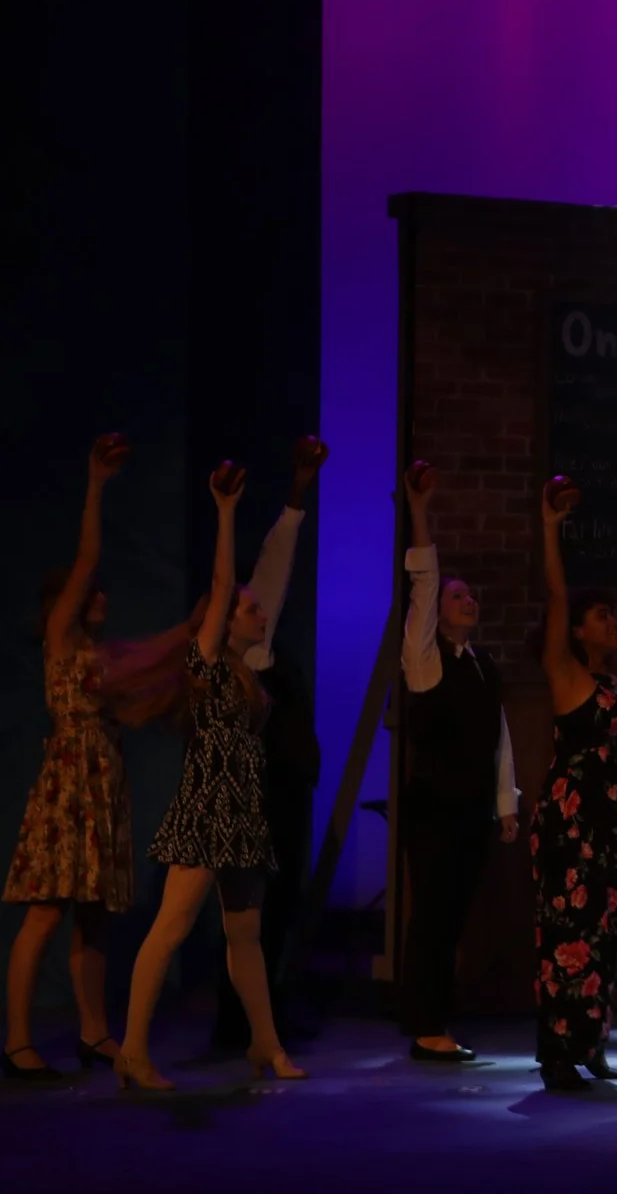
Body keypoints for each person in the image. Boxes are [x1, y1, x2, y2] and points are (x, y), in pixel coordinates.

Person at [4, 435, 190, 1081]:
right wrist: (96, 485)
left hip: (101, 787)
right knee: (45, 912)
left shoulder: (104, 659)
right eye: (94, 593)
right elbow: (87, 559)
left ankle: (93, 1032)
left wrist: (197, 630)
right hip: (67, 785)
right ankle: (17, 1041)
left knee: (94, 918)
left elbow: (152, 673)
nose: (103, 598)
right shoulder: (62, 641)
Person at [118, 463, 302, 1089]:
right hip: (206, 810)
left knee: (245, 935)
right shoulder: (207, 664)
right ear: (223, 621)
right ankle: (132, 1051)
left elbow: (262, 588)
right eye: (248, 609)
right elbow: (225, 585)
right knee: (170, 928)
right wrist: (225, 513)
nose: (258, 613)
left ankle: (265, 1044)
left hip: (242, 813)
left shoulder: (250, 672)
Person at [396, 460, 521, 1065]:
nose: (467, 600)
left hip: (470, 809)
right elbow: (423, 588)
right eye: (457, 595)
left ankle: (436, 1019)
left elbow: (500, 736)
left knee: (454, 918)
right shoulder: (425, 660)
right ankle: (425, 1025)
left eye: (471, 595)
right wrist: (420, 512)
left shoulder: (482, 664)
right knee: (433, 917)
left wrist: (506, 804)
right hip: (433, 808)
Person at [211, 438, 326, 1054]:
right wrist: (294, 499)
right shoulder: (240, 661)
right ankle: (240, 1024)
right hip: (256, 797)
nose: (263, 612)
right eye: (250, 608)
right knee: (245, 914)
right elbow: (271, 572)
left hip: (285, 792)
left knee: (273, 910)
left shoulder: (264, 655)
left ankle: (260, 1019)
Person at [530, 477, 617, 1093]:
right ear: (577, 630)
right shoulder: (566, 674)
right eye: (601, 616)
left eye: (612, 614)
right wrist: (551, 528)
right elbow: (556, 594)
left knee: (602, 935)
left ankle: (592, 1043)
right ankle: (558, 1054)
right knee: (565, 937)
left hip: (608, 825)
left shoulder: (614, 686)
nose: (612, 622)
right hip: (569, 827)